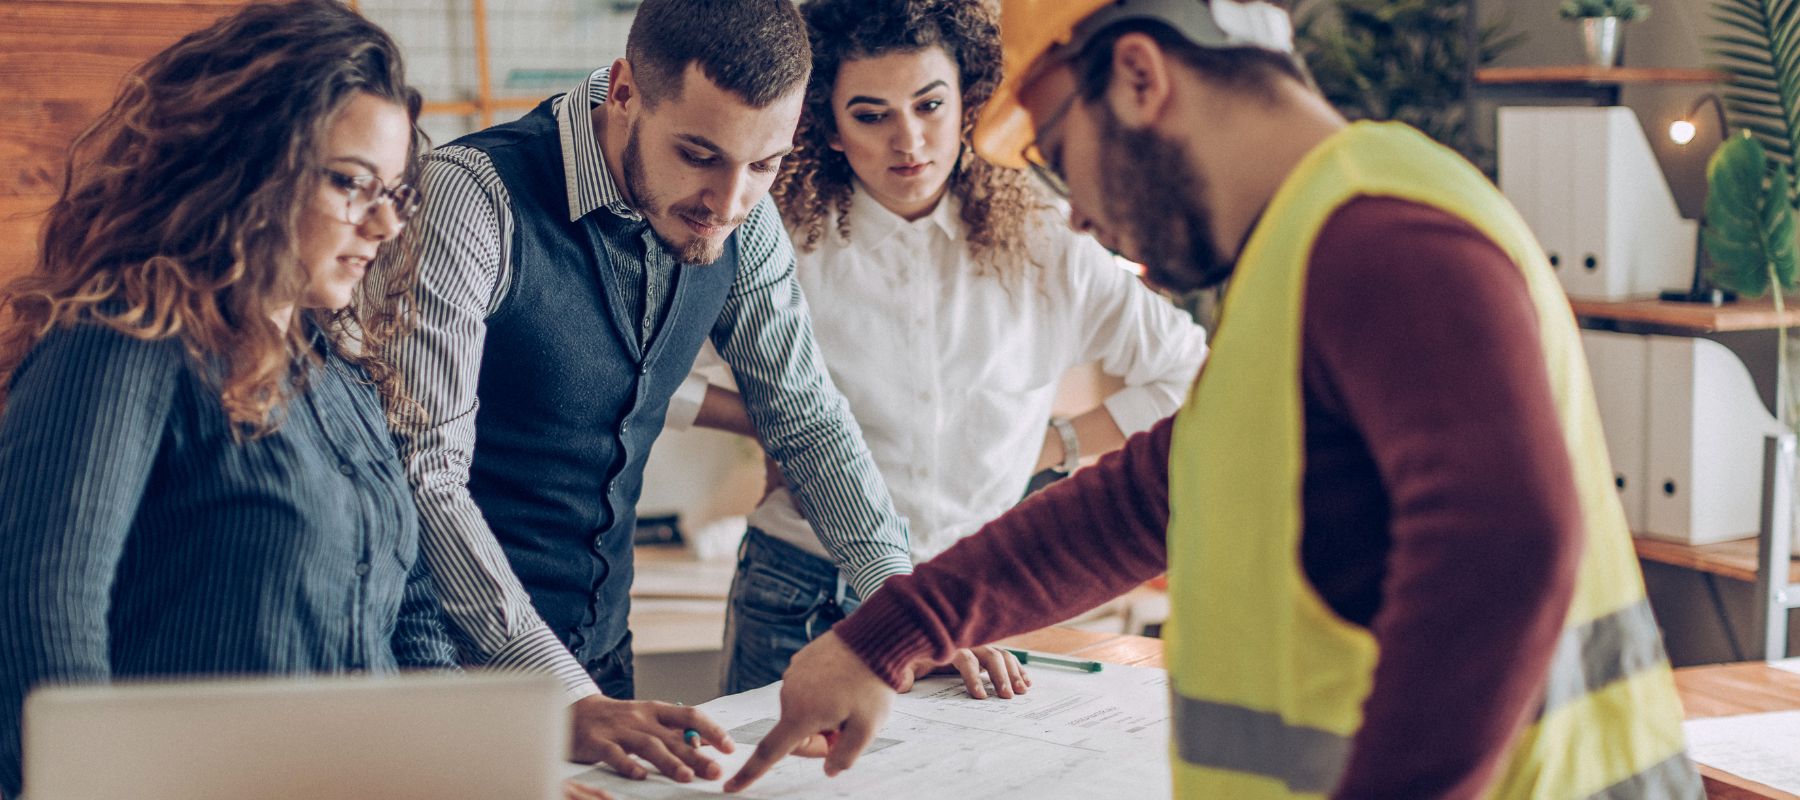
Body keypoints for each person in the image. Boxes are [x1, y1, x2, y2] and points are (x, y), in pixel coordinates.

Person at [724, 1, 1703, 798]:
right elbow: (1146, 499)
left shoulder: (1383, 238)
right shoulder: (1306, 248)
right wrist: (888, 632)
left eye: (1063, 156)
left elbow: (1505, 550)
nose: (1084, 215)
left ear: (1142, 78)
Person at [391, 0, 1008, 787]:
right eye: (698, 154)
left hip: (601, 666)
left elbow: (807, 420)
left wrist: (901, 607)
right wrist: (560, 690)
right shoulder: (469, 200)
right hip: (451, 671)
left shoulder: (739, 208)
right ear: (623, 92)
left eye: (765, 165)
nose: (729, 200)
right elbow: (424, 475)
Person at [670, 0, 1207, 696]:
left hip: (975, 596)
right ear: (828, 128)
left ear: (970, 105)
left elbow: (1189, 375)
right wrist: (773, 422)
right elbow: (649, 375)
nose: (909, 141)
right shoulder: (777, 242)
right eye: (871, 115)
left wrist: (1051, 448)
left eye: (930, 105)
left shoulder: (1048, 240)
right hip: (802, 595)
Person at [0, 3, 459, 797]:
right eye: (352, 184)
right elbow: (43, 629)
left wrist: (472, 760)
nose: (385, 223)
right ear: (254, 167)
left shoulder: (337, 372)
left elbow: (411, 609)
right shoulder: (123, 344)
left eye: (396, 192)